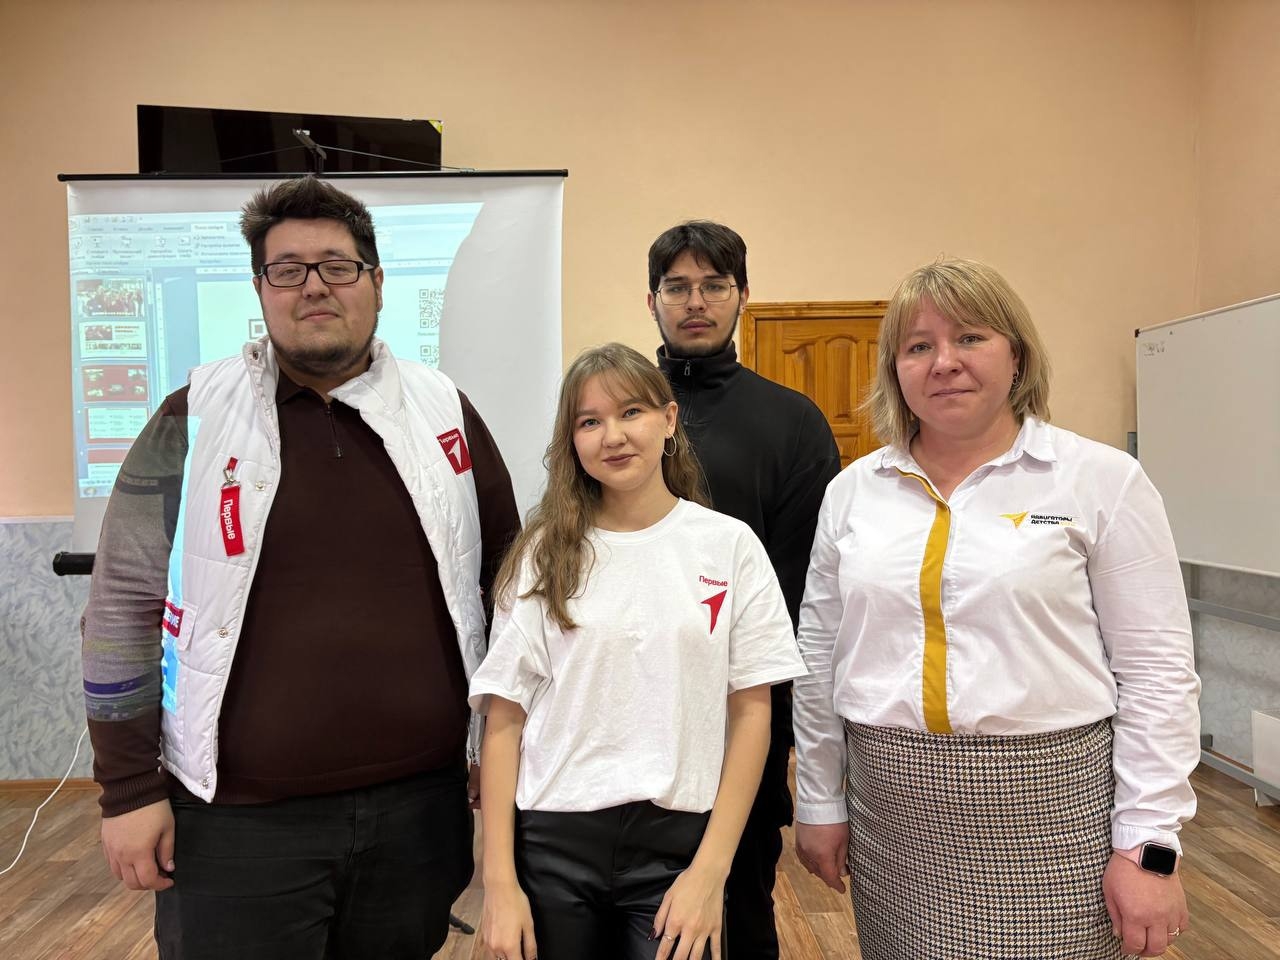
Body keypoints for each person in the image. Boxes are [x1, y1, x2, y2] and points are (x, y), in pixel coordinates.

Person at [80, 176, 520, 960]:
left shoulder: (446, 412)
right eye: (287, 270)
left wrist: (501, 748)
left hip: (418, 813)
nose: (314, 286)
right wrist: (129, 788)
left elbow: (508, 592)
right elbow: (120, 608)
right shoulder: (191, 417)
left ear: (377, 283)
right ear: (260, 290)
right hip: (236, 826)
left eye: (337, 266)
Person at [792, 258, 1201, 960]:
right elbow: (820, 656)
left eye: (970, 337)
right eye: (918, 346)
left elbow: (1157, 672)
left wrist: (1149, 846)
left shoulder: (1100, 480)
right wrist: (819, 800)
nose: (944, 362)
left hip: (1053, 814)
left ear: (1017, 356)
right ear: (895, 370)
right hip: (892, 814)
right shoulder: (853, 492)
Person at [471, 343, 806, 960]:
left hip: (678, 847)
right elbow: (505, 718)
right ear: (571, 441)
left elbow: (752, 712)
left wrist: (711, 872)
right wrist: (499, 883)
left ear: (669, 420)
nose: (613, 435)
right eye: (589, 421)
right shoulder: (543, 554)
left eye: (631, 412)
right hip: (552, 844)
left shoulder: (729, 546)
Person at [648, 220, 841, 958]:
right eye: (677, 287)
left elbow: (805, 586)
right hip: (635, 700)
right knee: (636, 901)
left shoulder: (792, 422)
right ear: (652, 300)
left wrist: (764, 708)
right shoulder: (621, 415)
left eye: (714, 285)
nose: (695, 302)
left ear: (743, 296)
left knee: (741, 897)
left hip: (745, 707)